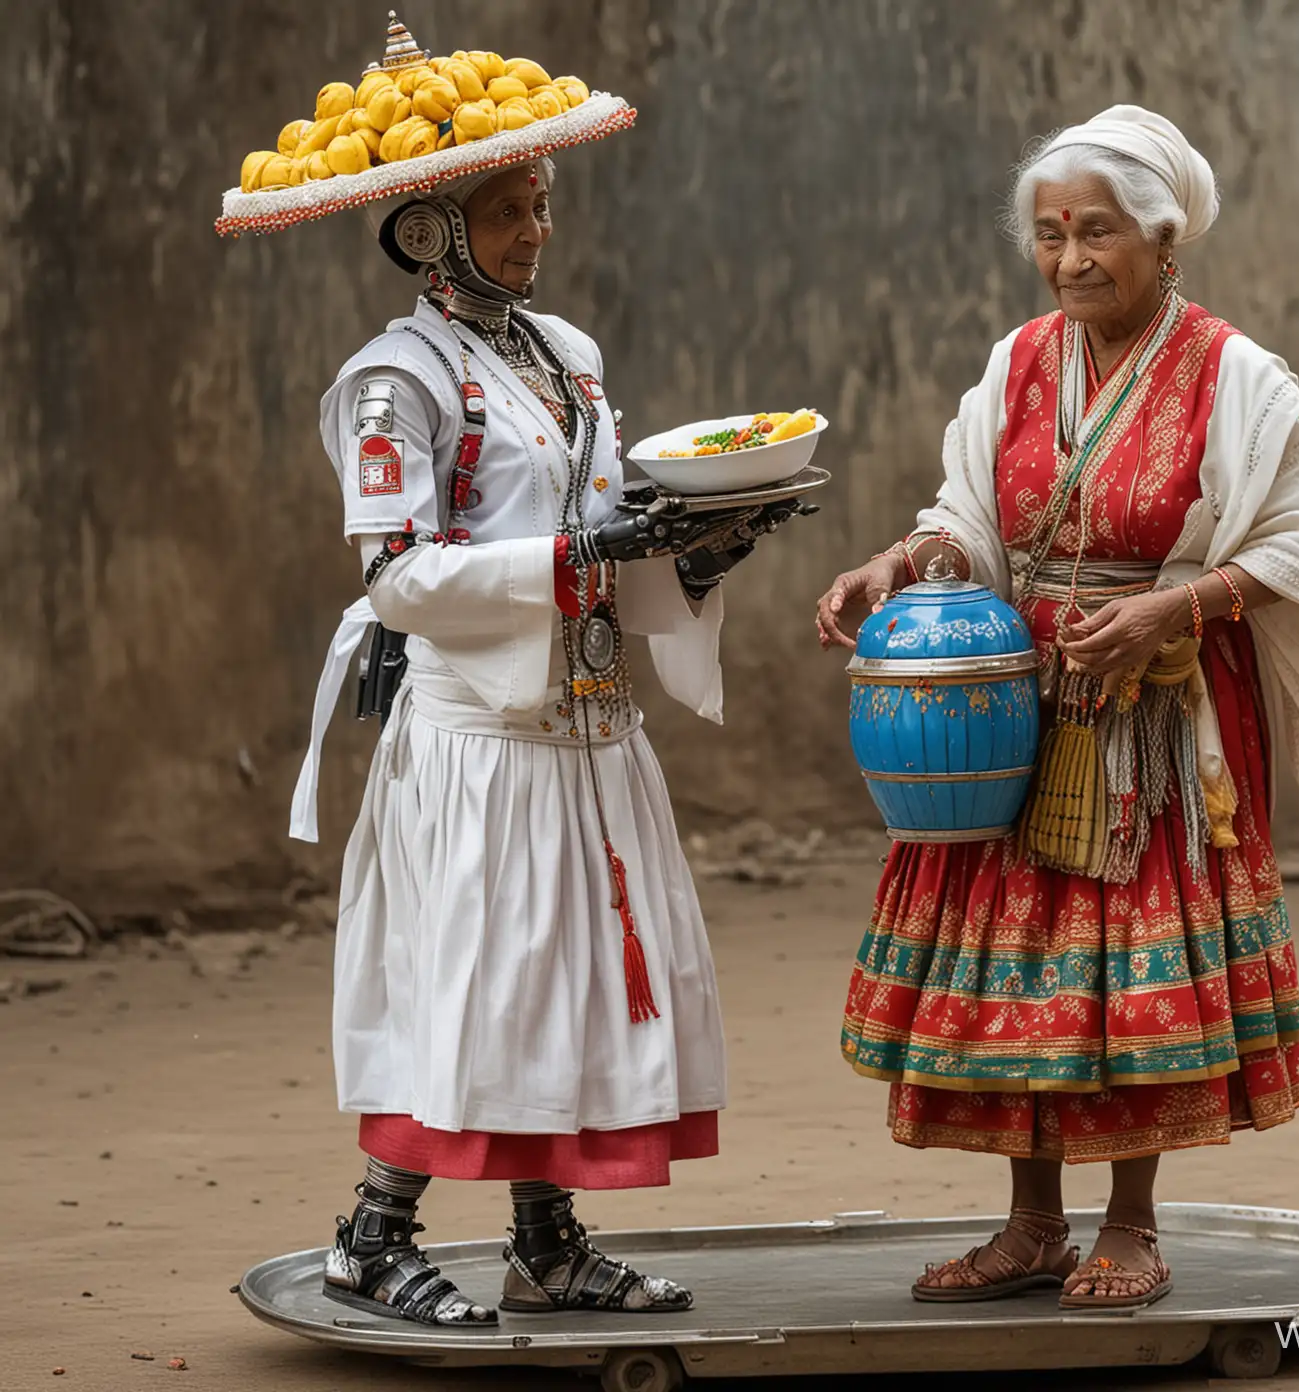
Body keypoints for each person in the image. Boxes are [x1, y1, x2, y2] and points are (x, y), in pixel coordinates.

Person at [233, 21, 807, 1326]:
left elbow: (609, 545)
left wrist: (705, 547)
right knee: (477, 980)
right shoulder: (393, 384)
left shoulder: (575, 358)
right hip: (481, 743)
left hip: (592, 728)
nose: (534, 232)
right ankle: (371, 1239)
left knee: (567, 982)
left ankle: (546, 1244)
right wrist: (578, 552)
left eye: (541, 204)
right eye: (506, 211)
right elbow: (395, 579)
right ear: (428, 228)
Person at [816, 105, 1299, 1310]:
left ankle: (1131, 1224)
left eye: (1099, 233)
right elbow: (968, 514)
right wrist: (898, 563)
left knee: (1131, 965)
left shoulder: (1236, 375)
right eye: (1049, 234)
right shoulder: (1020, 363)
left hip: (1159, 715)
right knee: (1025, 963)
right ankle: (1031, 1226)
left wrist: (1175, 613)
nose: (1071, 259)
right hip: (1023, 707)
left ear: (1166, 240)